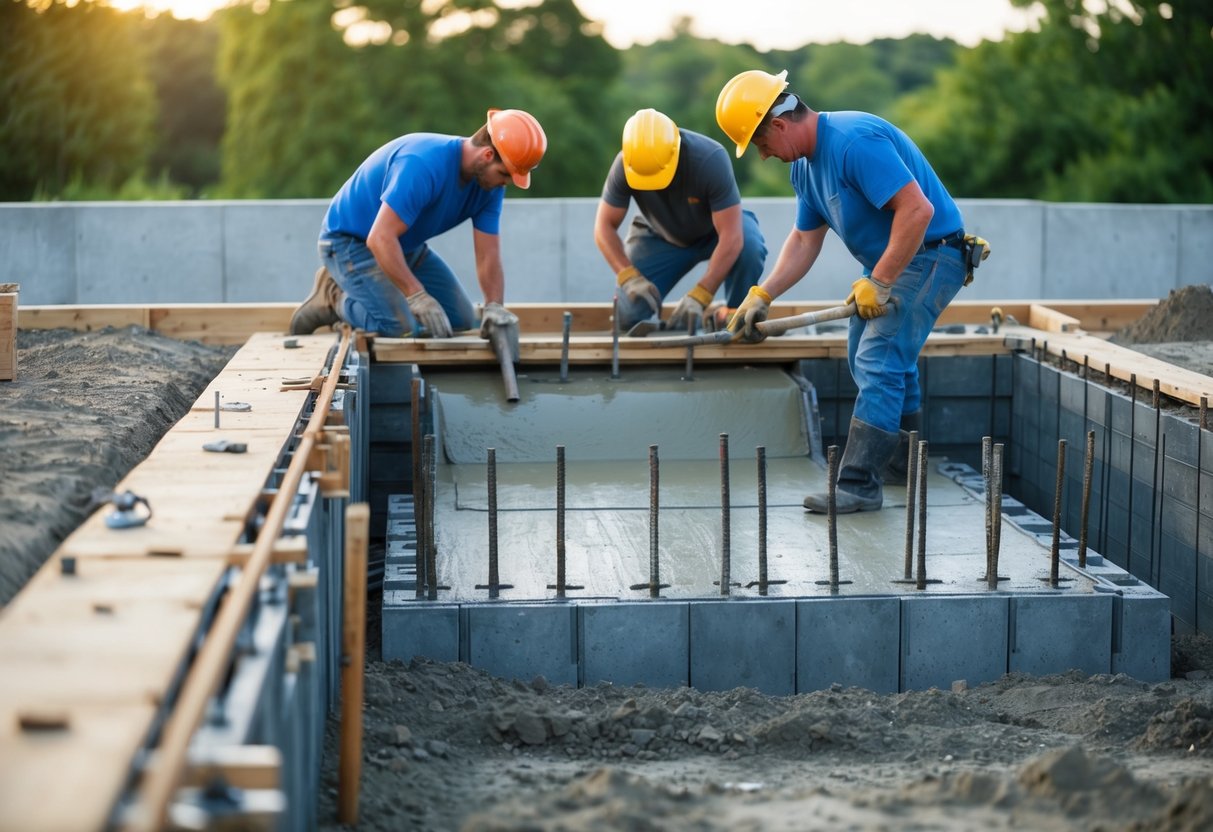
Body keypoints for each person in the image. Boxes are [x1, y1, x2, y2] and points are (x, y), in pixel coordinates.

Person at [716, 69, 968, 514]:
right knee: (871, 355)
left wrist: (882, 280)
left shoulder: (853, 140)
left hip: (932, 255)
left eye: (760, 144)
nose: (763, 156)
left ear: (777, 124)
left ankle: (858, 484)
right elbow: (803, 240)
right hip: (895, 264)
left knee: (878, 358)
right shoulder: (804, 169)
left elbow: (917, 210)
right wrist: (762, 294)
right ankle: (901, 465)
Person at [289, 109, 547, 341]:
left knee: (461, 321)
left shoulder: (489, 187)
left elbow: (488, 254)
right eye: (505, 174)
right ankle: (332, 297)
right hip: (349, 243)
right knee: (400, 327)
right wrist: (417, 295)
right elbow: (379, 238)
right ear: (488, 154)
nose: (506, 183)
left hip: (403, 245)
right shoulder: (422, 164)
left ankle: (382, 298)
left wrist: (494, 306)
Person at [594, 108, 767, 333]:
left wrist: (701, 294)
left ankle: (734, 314)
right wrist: (628, 277)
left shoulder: (709, 158)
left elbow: (732, 237)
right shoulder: (625, 164)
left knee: (749, 245)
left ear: (675, 150)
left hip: (715, 233)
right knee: (628, 318)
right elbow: (603, 227)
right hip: (659, 236)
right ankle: (691, 317)